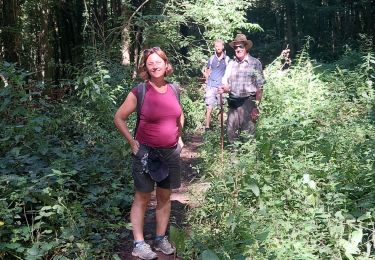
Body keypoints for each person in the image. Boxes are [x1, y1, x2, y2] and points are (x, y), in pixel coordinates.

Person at [114, 47, 184, 260]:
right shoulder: (139, 91)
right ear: (145, 67)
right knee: (143, 197)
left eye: (158, 62)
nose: (155, 66)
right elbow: (119, 117)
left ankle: (160, 238)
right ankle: (139, 243)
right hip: (146, 154)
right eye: (150, 63)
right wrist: (131, 142)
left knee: (165, 196)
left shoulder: (175, 88)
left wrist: (179, 136)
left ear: (166, 64)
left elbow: (179, 115)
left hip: (170, 153)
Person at [218, 34, 265, 143]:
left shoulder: (255, 63)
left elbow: (260, 87)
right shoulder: (231, 64)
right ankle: (233, 159)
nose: (238, 49)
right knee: (231, 133)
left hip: (248, 103)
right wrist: (224, 88)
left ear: (246, 47)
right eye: (236, 47)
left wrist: (256, 107)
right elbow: (226, 82)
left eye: (241, 46)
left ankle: (248, 158)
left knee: (248, 136)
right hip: (233, 103)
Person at [203, 39, 230, 130]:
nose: (218, 47)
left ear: (223, 47)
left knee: (222, 107)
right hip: (211, 86)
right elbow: (207, 70)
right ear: (214, 47)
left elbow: (229, 72)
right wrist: (207, 80)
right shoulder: (211, 59)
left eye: (219, 46)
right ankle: (207, 126)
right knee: (209, 106)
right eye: (216, 46)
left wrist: (227, 85)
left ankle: (221, 126)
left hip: (221, 87)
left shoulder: (227, 59)